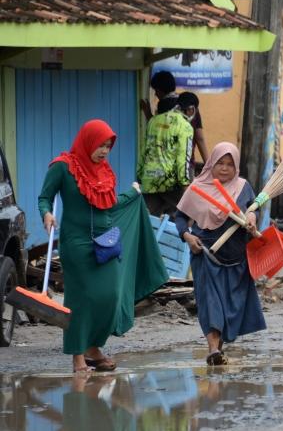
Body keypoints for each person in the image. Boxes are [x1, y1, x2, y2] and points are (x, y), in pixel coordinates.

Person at [38, 120, 168, 373]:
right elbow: (45, 197)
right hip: (76, 244)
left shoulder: (104, 171)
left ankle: (93, 346)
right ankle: (78, 356)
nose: (104, 150)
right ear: (88, 141)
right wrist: (46, 214)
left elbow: (108, 204)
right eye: (100, 145)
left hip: (106, 241)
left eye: (108, 146)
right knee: (80, 300)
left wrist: (132, 193)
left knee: (111, 296)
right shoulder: (63, 167)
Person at [175, 142, 266, 366]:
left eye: (229, 164)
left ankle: (219, 349)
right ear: (210, 164)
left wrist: (252, 219)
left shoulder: (243, 187)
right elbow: (179, 218)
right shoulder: (197, 187)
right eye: (219, 163)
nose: (224, 169)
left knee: (230, 305)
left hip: (237, 257)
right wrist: (187, 236)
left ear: (236, 168)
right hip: (205, 254)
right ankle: (212, 348)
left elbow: (253, 209)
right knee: (209, 302)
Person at [137, 102, 194, 216]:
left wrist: (139, 175)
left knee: (150, 222)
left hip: (149, 179)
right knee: (176, 223)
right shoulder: (185, 126)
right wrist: (185, 183)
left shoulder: (153, 121)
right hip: (171, 183)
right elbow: (183, 157)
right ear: (191, 110)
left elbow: (144, 150)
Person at [177, 91, 209, 168]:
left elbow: (199, 138)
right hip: (182, 164)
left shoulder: (195, 114)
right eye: (185, 110)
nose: (187, 112)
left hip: (185, 164)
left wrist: (208, 165)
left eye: (190, 110)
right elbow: (199, 138)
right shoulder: (173, 119)